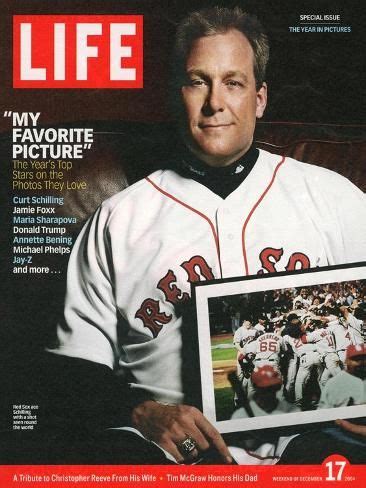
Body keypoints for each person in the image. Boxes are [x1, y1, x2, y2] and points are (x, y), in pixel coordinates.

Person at [48, 6, 366, 464]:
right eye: (199, 81)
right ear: (179, 94)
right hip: (170, 458)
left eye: (233, 82)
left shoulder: (335, 199)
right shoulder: (118, 219)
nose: (215, 101)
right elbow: (72, 370)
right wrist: (143, 412)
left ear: (259, 98)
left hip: (317, 450)